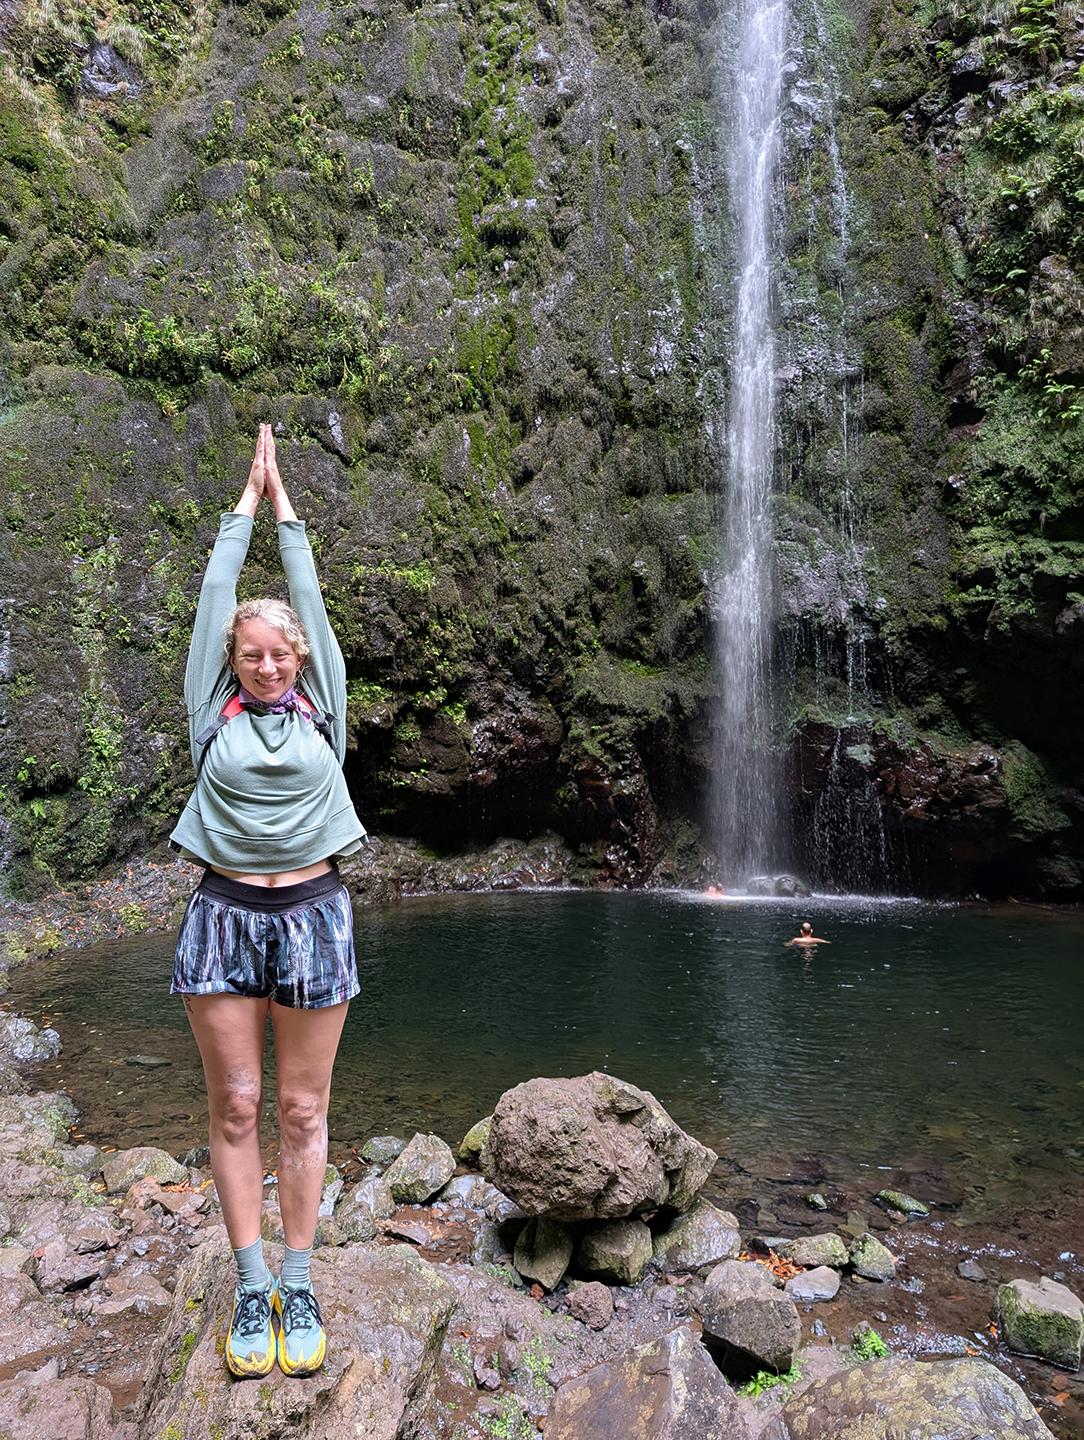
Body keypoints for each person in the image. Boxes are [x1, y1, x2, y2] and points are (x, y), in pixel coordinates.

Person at [169, 424, 367, 1379]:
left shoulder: (321, 698)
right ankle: (252, 1285)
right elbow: (213, 604)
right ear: (234, 661)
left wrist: (287, 506)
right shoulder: (215, 712)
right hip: (224, 913)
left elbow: (316, 608)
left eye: (279, 653)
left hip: (316, 913)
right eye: (251, 655)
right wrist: (240, 506)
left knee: (301, 1108)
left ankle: (300, 1276)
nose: (267, 665)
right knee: (238, 1102)